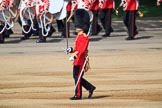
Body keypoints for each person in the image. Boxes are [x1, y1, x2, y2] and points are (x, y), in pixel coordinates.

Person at [65, 9, 96, 100]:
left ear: (82, 26)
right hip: (77, 59)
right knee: (76, 76)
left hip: (81, 60)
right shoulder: (79, 36)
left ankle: (78, 95)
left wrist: (74, 55)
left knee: (77, 77)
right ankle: (90, 87)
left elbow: (81, 50)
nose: (76, 27)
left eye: (78, 25)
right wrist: (70, 50)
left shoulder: (84, 37)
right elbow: (76, 48)